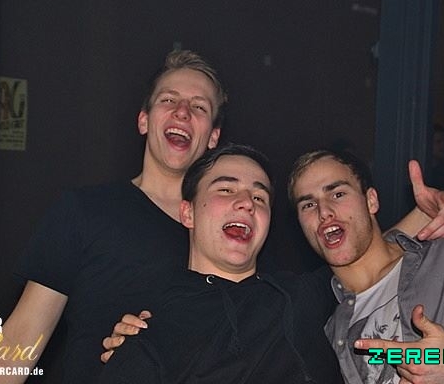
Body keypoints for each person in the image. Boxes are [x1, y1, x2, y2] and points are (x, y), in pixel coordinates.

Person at [0, 49, 444, 384]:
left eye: (199, 107)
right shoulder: (84, 212)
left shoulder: (240, 241)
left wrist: (423, 216)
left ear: (212, 136)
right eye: (169, 101)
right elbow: (19, 338)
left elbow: (350, 253)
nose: (182, 113)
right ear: (144, 119)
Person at [286, 148, 444, 384]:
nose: (324, 211)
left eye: (338, 194)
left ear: (371, 201)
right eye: (308, 204)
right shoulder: (331, 329)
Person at [97, 144, 345, 383]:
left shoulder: (309, 294)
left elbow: (360, 258)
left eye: (259, 197)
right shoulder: (154, 333)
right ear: (188, 213)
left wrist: (382, 356)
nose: (247, 202)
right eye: (226, 190)